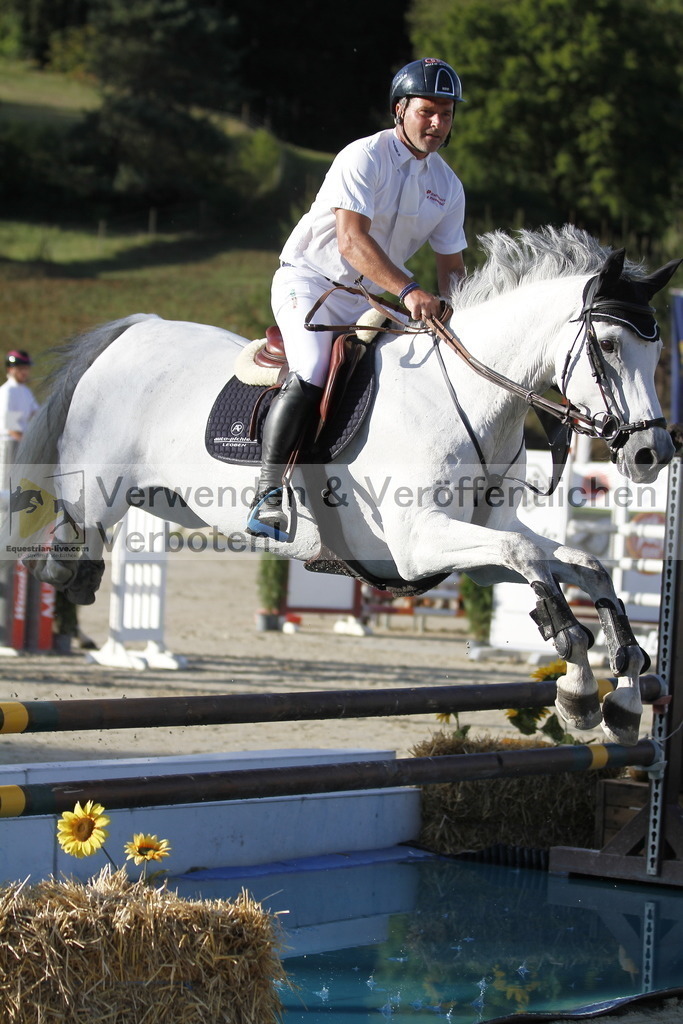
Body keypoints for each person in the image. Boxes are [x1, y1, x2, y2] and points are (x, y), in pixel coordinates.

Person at [247, 57, 468, 538]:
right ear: (399, 110)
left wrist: (457, 317)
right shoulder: (363, 156)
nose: (437, 123)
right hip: (313, 283)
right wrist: (411, 290)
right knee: (312, 368)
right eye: (427, 111)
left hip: (378, 297)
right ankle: (268, 490)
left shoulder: (448, 186)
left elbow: (452, 269)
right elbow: (351, 242)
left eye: (446, 114)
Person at [0, 350, 40, 491]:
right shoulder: (7, 391)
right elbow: (11, 427)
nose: (25, 372)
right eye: (21, 369)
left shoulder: (25, 391)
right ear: (11, 369)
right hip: (9, 443)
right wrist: (29, 444)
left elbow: (37, 414)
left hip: (21, 441)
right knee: (6, 484)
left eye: (26, 368)